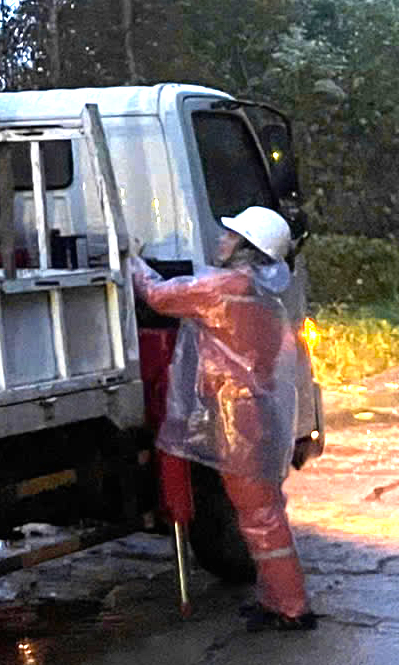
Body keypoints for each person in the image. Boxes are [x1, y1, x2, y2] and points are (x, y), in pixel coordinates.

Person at [131, 205, 316, 632]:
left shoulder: (223, 289)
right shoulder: (260, 292)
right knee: (266, 513)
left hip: (240, 423)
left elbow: (159, 295)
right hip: (261, 418)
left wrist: (131, 261)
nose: (221, 239)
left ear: (245, 248)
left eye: (231, 236)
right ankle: (276, 600)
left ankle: (290, 608)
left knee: (261, 519)